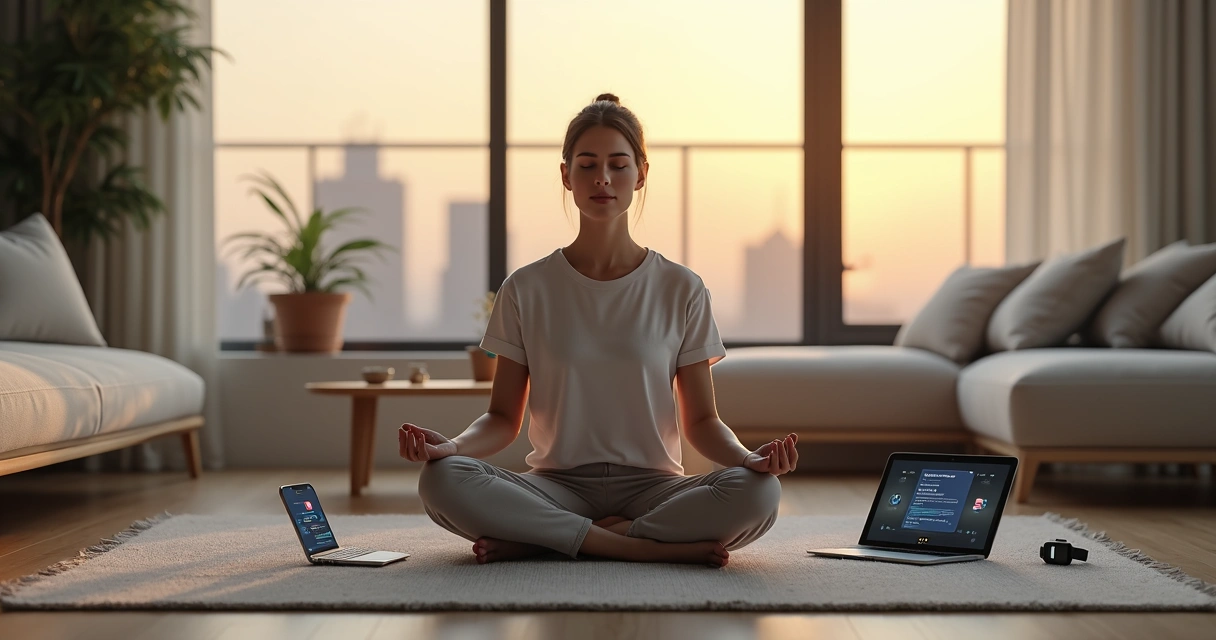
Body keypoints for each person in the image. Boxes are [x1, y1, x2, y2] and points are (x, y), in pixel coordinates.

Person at [399, 93, 799, 568]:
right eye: (587, 165)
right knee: (441, 480)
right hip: (556, 485)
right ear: (566, 176)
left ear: (641, 173)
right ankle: (631, 546)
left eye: (618, 164)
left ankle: (544, 542)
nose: (602, 178)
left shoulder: (682, 288)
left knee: (759, 492)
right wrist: (452, 447)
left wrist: (746, 458)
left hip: (655, 488)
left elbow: (702, 423)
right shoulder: (526, 288)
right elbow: (503, 419)